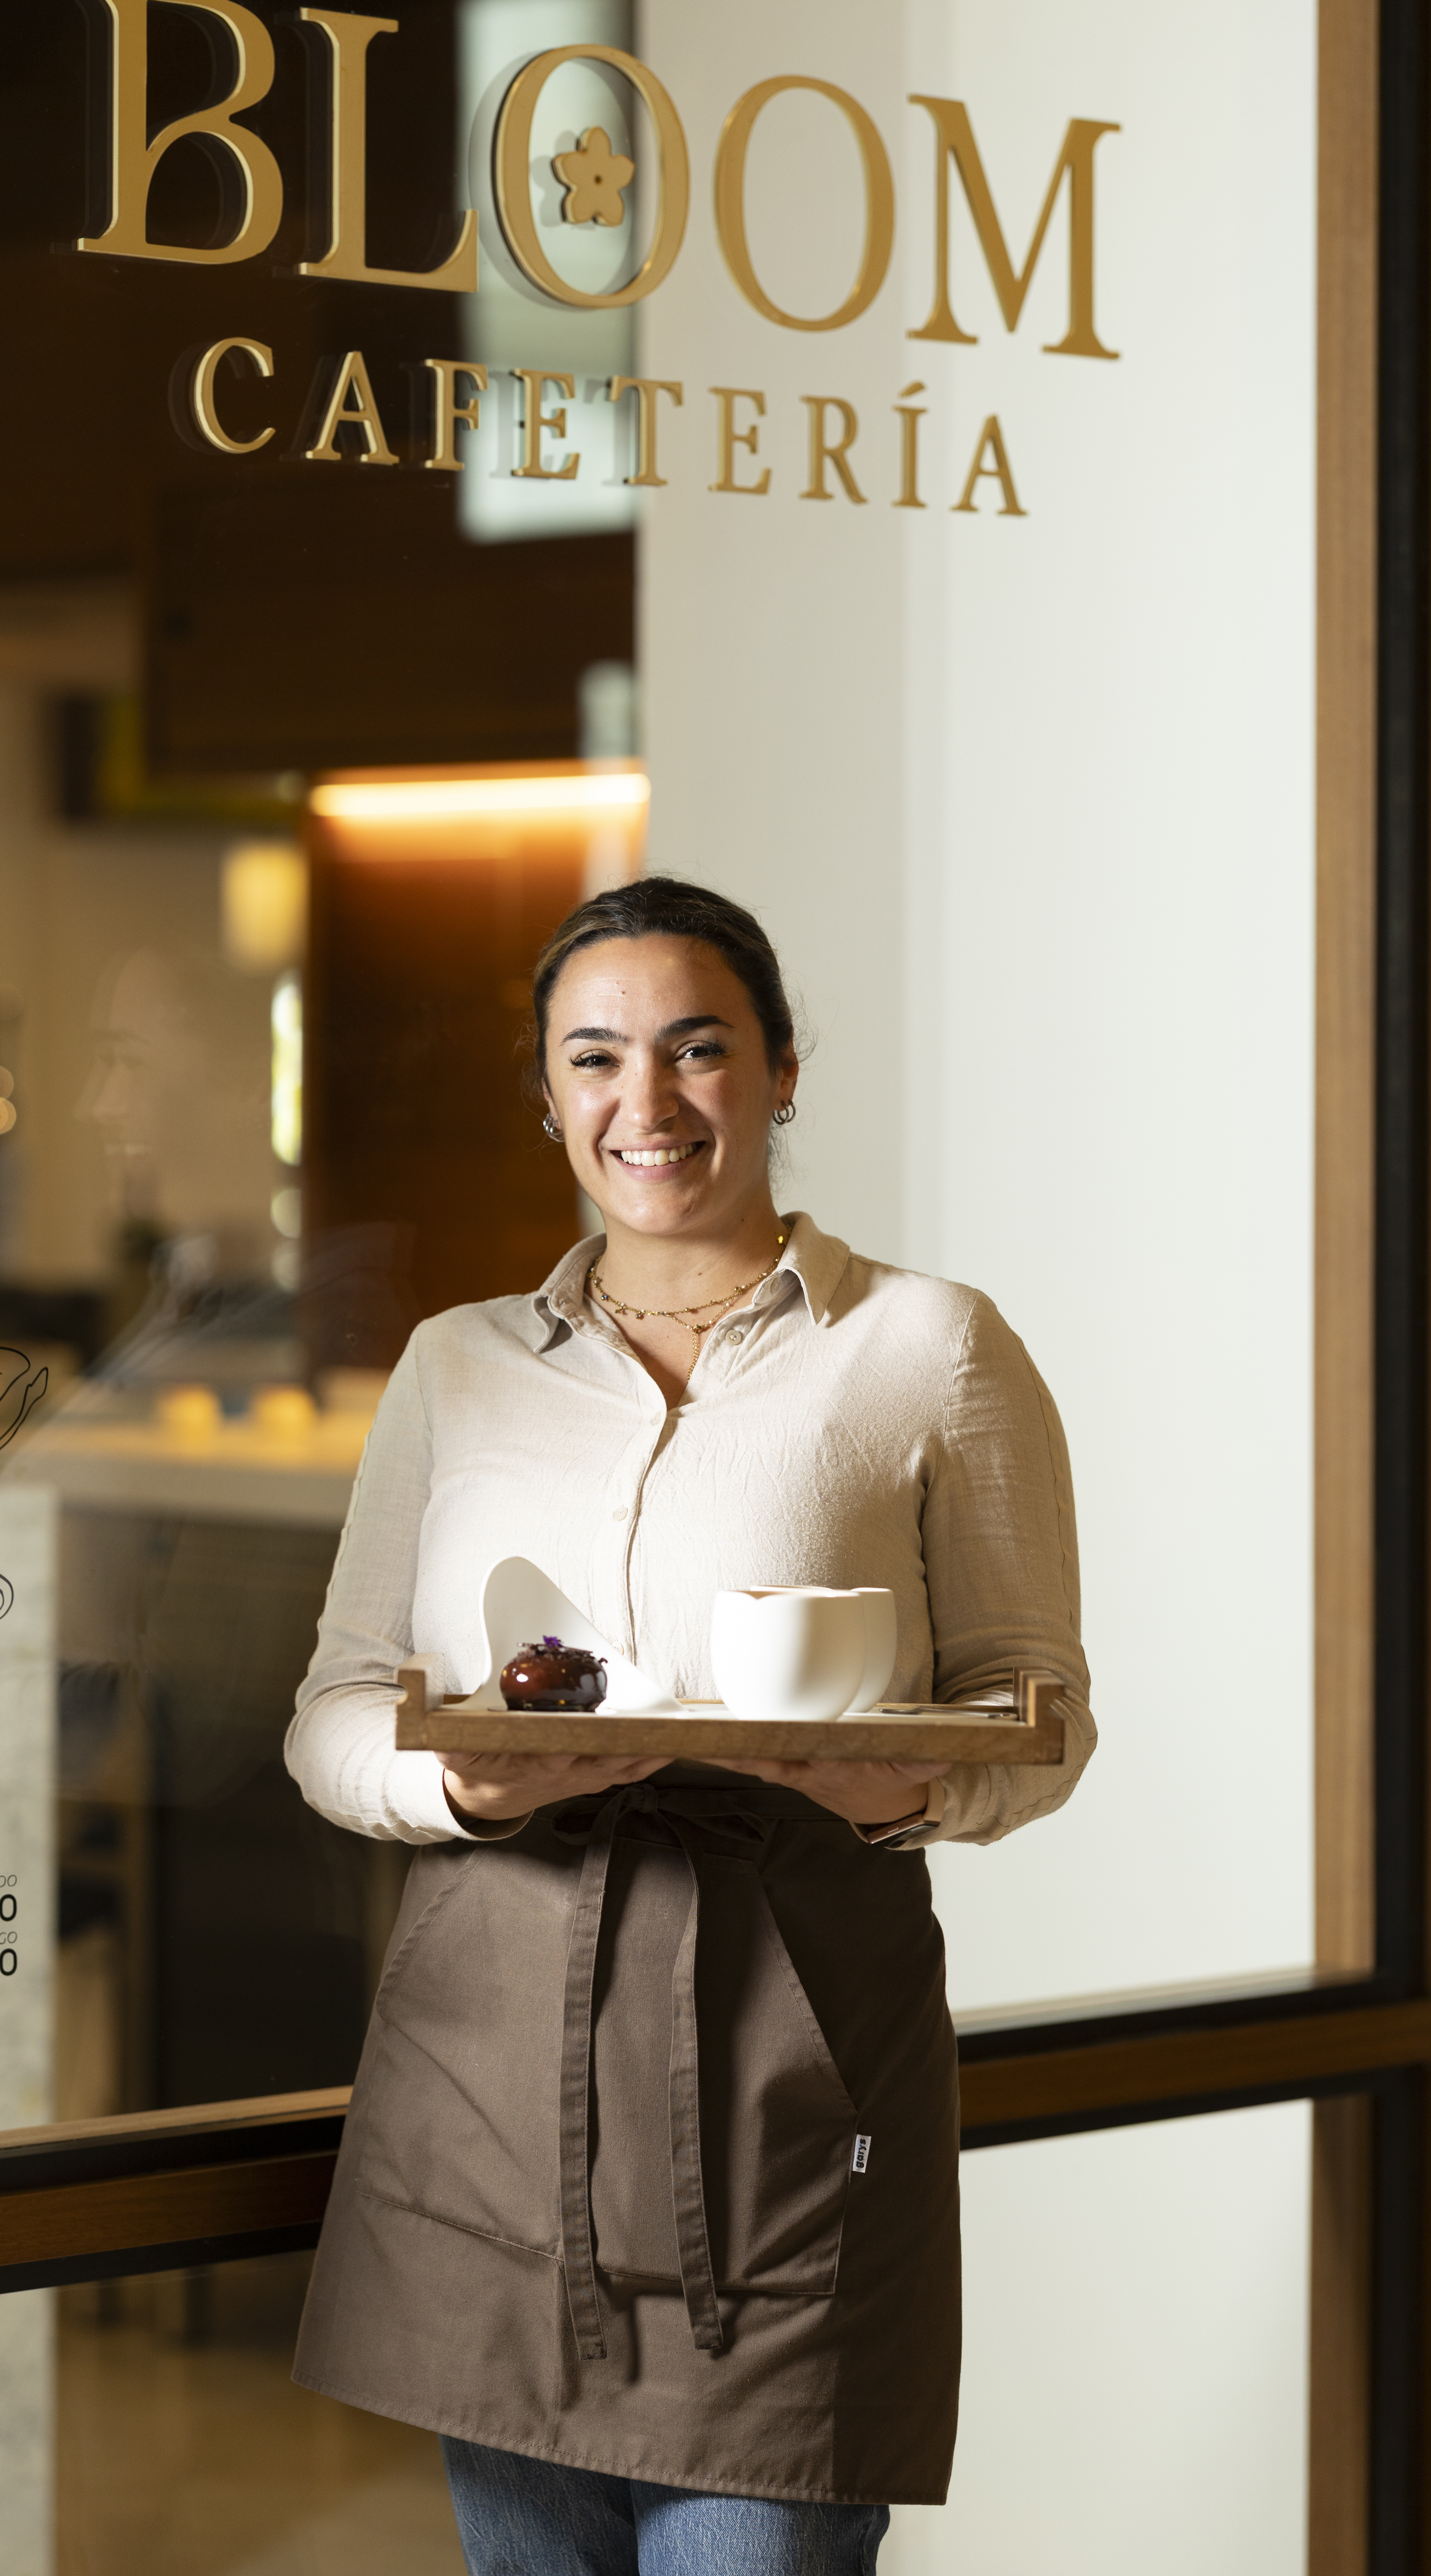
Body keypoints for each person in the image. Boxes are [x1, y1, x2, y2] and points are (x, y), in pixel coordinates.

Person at [285, 876, 1095, 2576]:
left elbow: (1043, 1715)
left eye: (697, 1049)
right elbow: (337, 1710)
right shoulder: (458, 1366)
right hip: (488, 2077)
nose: (644, 1105)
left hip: (789, 2073)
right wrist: (465, 1787)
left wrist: (896, 1792)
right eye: (595, 1059)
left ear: (783, 1071)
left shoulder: (929, 1350)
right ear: (551, 1098)